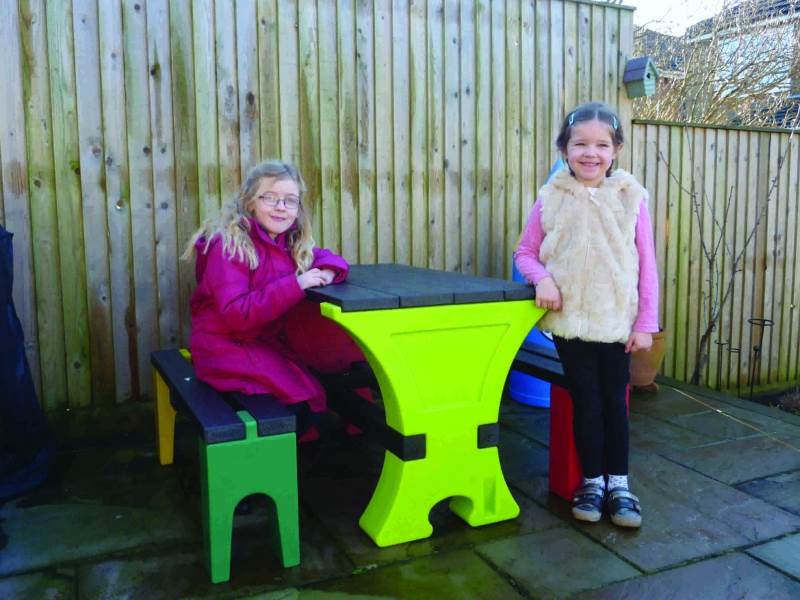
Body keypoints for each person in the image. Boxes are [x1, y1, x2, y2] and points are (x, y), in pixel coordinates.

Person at [515, 102, 659, 528]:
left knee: (615, 402)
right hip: (571, 324)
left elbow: (647, 264)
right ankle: (591, 482)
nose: (590, 153)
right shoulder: (550, 198)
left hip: (617, 324)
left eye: (601, 144)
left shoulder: (631, 197)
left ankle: (619, 484)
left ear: (615, 150)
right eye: (580, 144)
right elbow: (525, 252)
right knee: (587, 403)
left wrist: (645, 323)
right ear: (564, 149)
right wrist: (541, 279)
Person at [183, 160, 364, 441]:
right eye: (270, 198)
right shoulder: (229, 246)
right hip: (223, 346)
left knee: (324, 379)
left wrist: (328, 270)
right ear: (250, 202)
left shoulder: (288, 242)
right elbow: (237, 315)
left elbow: (329, 257)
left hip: (261, 342)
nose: (281, 207)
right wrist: (297, 284)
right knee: (301, 406)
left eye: (290, 201)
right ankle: (272, 464)